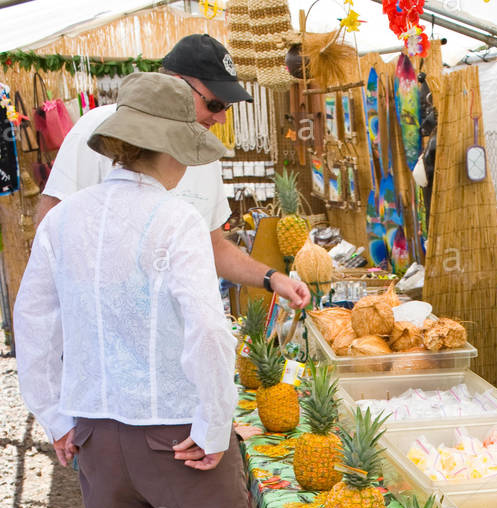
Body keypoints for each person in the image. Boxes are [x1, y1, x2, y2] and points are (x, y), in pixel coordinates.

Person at [15, 72, 249, 508]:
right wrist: (213, 425)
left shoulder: (64, 220)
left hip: (95, 425)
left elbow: (34, 322)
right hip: (174, 427)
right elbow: (208, 332)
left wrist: (56, 413)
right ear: (168, 151)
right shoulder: (173, 219)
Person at [36, 33, 310, 314]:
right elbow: (50, 237)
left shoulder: (204, 153)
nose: (221, 118)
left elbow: (213, 246)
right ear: (177, 85)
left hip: (182, 341)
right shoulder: (97, 129)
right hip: (109, 340)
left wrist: (272, 278)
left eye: (227, 107)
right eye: (215, 104)